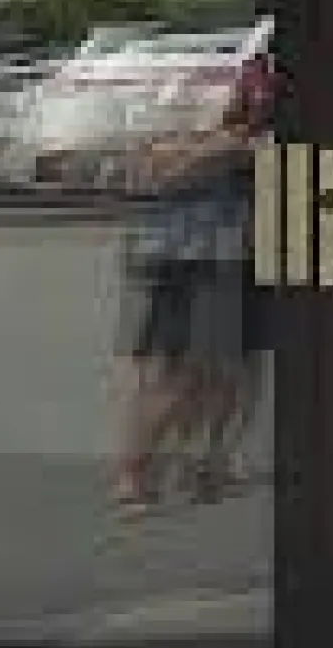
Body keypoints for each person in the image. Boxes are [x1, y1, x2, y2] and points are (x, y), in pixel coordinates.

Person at [107, 57, 272, 516]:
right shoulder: (190, 121)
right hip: (192, 257)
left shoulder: (246, 131)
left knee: (231, 370)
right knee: (179, 374)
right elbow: (153, 171)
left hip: (236, 255)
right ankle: (135, 473)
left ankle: (205, 465)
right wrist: (230, 146)